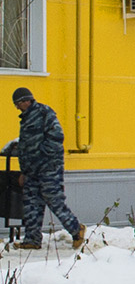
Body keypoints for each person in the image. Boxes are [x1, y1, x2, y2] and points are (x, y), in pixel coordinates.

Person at [12, 88, 85, 251]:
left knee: (54, 200)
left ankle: (76, 230)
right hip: (31, 171)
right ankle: (32, 239)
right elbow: (26, 147)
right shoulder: (25, 119)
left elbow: (57, 138)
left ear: (25, 101)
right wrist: (24, 171)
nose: (17, 107)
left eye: (17, 104)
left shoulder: (45, 113)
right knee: (31, 203)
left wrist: (41, 156)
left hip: (48, 169)